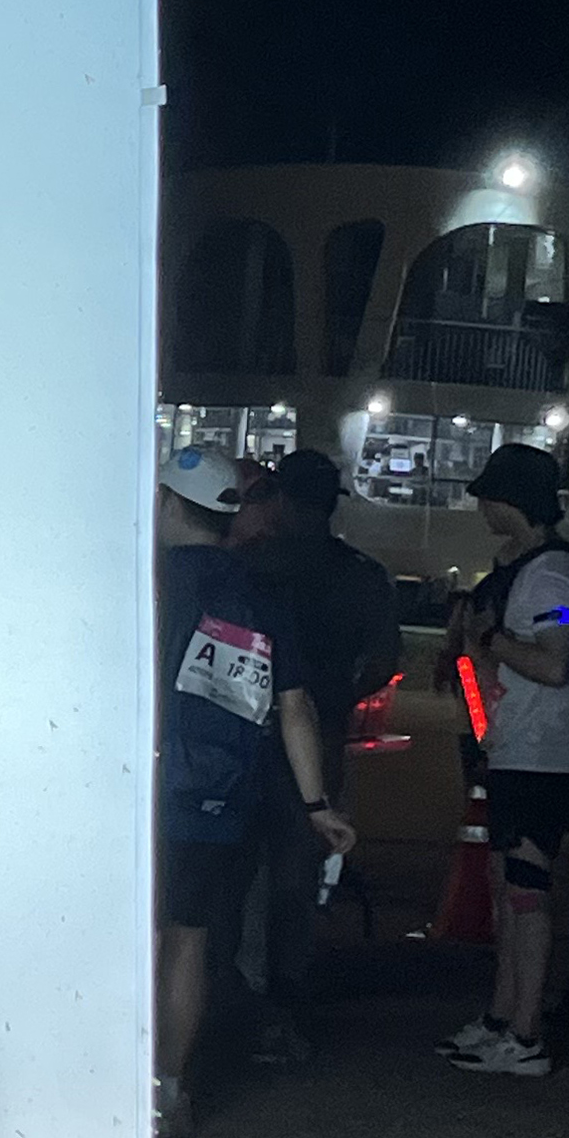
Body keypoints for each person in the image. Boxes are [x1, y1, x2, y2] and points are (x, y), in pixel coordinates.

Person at [156, 444, 353, 1138]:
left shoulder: (141, 580)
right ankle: (167, 1091)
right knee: (188, 939)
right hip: (215, 792)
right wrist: (318, 806)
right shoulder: (261, 597)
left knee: (126, 938)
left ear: (165, 502)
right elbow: (295, 707)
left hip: (131, 791)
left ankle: (103, 1085)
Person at [237, 449, 405, 1064]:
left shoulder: (249, 565)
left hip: (240, 733)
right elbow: (383, 662)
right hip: (320, 736)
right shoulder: (361, 575)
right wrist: (333, 699)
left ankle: (235, 996)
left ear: (280, 498)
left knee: (238, 873)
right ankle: (284, 1007)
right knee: (296, 876)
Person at [439, 446, 569, 1078]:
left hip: (539, 756)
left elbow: (555, 664)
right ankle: (505, 1019)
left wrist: (488, 639)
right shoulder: (527, 569)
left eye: (488, 495)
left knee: (525, 892)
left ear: (512, 500)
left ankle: (525, 1032)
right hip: (515, 750)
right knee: (509, 889)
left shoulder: (550, 575)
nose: (480, 505)